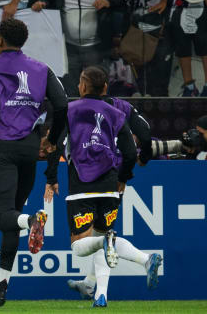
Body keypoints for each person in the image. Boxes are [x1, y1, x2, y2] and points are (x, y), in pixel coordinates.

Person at [0, 18, 68, 307]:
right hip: (30, 150)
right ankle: (1, 287)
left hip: (1, 149)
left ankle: (32, 220)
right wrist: (52, 138)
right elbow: (63, 104)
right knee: (12, 220)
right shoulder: (42, 69)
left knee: (3, 215)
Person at [44, 66, 161, 308]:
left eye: (79, 83)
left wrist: (51, 177)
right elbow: (130, 152)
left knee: (80, 246)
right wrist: (123, 177)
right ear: (106, 88)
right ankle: (103, 292)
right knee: (102, 236)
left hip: (81, 185)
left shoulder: (69, 110)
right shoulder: (116, 113)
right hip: (109, 185)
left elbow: (55, 144)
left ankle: (103, 274)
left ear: (82, 87)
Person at [32, 0, 125, 97]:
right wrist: (42, 2)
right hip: (68, 47)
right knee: (70, 92)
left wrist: (108, 3)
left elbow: (121, 2)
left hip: (96, 48)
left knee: (95, 92)